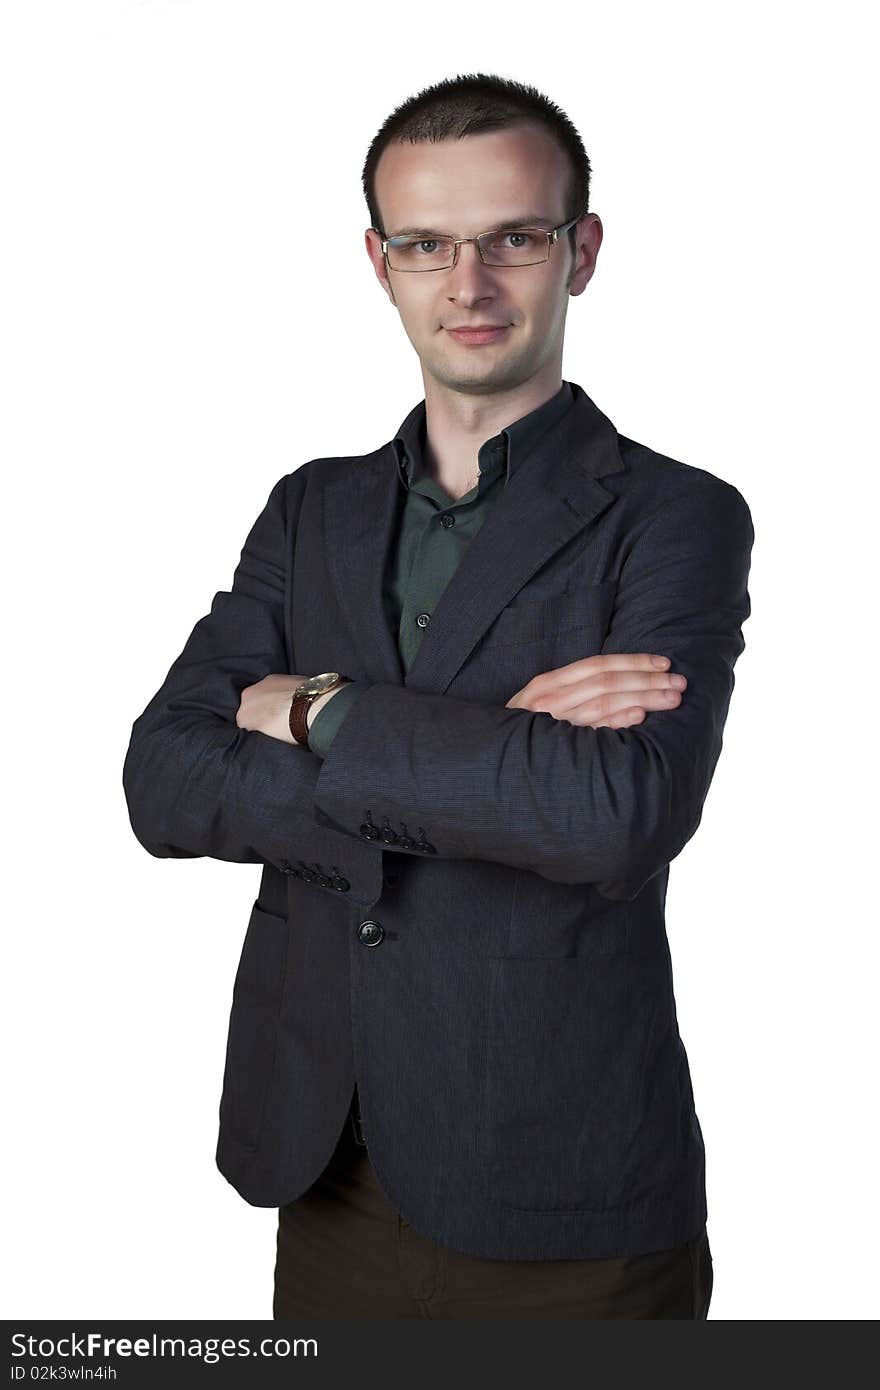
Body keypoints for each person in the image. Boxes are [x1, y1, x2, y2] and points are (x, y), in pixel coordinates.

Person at [123, 72, 753, 1319]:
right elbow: (162, 777)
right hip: (329, 1163)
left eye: (513, 237)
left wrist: (316, 712)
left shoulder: (674, 515)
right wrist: (494, 770)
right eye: (427, 244)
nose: (468, 283)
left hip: (563, 1186)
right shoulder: (311, 507)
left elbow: (617, 814)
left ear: (579, 253)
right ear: (380, 261)